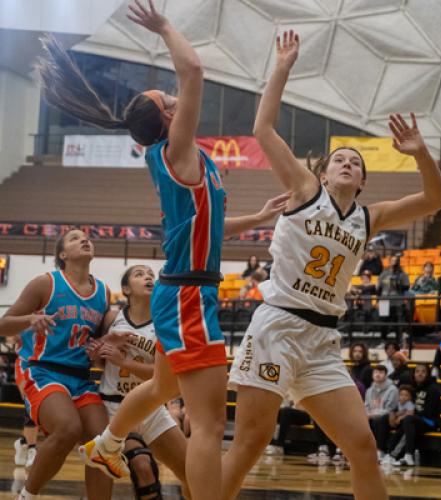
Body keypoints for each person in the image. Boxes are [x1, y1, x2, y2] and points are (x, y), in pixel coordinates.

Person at [37, 4, 289, 498]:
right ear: (169, 117)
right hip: (191, 296)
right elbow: (193, 69)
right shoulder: (177, 152)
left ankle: (107, 444)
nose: (177, 95)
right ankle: (115, 449)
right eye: (167, 97)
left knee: (161, 388)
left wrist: (257, 219)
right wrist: (164, 26)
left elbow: (206, 228)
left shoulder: (183, 162)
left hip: (185, 292)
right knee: (210, 423)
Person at [223, 29, 441, 500]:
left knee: (362, 445)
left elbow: (434, 197)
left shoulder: (370, 216)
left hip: (323, 338)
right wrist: (283, 67)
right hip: (278, 328)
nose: (347, 164)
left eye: (355, 162)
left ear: (362, 180)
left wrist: (421, 152)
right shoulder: (306, 192)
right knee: (250, 441)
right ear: (323, 172)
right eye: (339, 159)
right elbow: (263, 130)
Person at [0, 229, 112, 500]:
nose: (84, 239)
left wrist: (102, 349)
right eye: (75, 238)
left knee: (105, 443)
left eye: (87, 237)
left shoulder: (104, 292)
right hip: (40, 369)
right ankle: (27, 494)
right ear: (62, 254)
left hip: (80, 376)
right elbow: (3, 324)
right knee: (68, 428)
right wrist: (29, 320)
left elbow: (96, 349)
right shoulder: (45, 283)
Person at [88, 265, 189, 499]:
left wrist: (125, 363)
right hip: (115, 408)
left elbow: (164, 377)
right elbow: (92, 356)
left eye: (151, 275)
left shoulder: (164, 323)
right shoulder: (113, 318)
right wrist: (104, 343)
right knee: (143, 467)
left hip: (151, 407)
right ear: (126, 288)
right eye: (140, 274)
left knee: (189, 469)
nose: (148, 277)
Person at [387, 364, 440, 466]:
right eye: (417, 371)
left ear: (428, 374)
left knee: (408, 420)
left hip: (430, 421)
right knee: (402, 423)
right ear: (414, 374)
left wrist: (406, 415)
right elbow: (402, 404)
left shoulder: (433, 390)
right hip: (414, 419)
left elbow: (429, 413)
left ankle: (407, 455)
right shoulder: (413, 389)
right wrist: (394, 414)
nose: (420, 374)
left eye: (423, 372)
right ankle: (391, 455)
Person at [364, 366, 398, 461]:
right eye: (375, 372)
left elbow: (390, 409)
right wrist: (367, 415)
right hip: (371, 416)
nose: (378, 374)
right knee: (360, 420)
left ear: (386, 375)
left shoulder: (393, 389)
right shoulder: (369, 390)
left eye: (381, 372)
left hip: (388, 418)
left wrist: (372, 415)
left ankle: (380, 450)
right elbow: (366, 406)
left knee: (379, 420)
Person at [379, 385, 415, 465]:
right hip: (399, 424)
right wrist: (393, 416)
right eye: (401, 395)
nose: (403, 397)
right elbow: (394, 411)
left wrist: (400, 418)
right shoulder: (398, 403)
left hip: (405, 423)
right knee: (383, 420)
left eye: (406, 395)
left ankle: (392, 455)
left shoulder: (409, 404)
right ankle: (383, 452)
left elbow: (410, 413)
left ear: (410, 398)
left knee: (399, 434)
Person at [377, 255, 410, 342]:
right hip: (384, 301)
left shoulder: (402, 274)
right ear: (389, 262)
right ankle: (383, 340)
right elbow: (379, 288)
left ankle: (398, 341)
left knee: (397, 323)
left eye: (395, 261)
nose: (393, 262)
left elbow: (406, 287)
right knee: (384, 322)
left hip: (397, 301)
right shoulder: (384, 273)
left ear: (398, 262)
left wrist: (397, 283)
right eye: (392, 260)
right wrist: (378, 300)